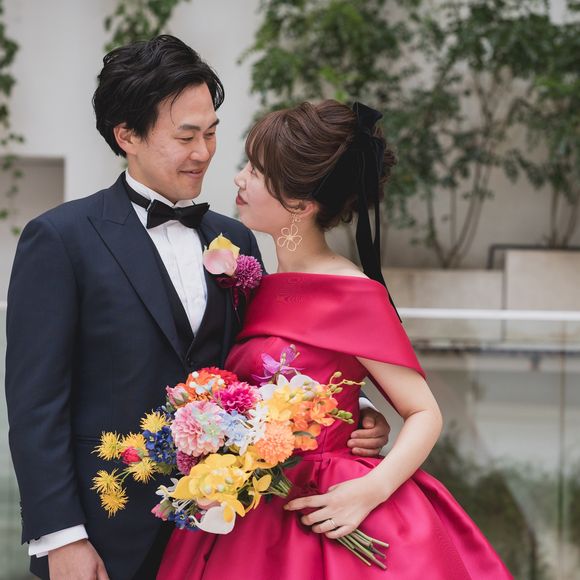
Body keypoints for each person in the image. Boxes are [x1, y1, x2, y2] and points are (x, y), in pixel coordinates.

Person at [4, 37, 389, 580]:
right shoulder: (60, 239)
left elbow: (268, 358)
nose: (204, 153)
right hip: (104, 533)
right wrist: (62, 537)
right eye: (186, 137)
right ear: (127, 136)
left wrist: (350, 405)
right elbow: (35, 404)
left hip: (225, 529)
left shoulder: (238, 238)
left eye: (211, 133)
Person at [157, 100, 513, 579]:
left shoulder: (353, 294)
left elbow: (425, 412)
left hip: (325, 505)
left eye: (256, 171)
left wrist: (371, 491)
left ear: (301, 206)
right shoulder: (260, 281)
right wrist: (358, 406)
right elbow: (318, 373)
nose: (240, 178)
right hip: (252, 499)